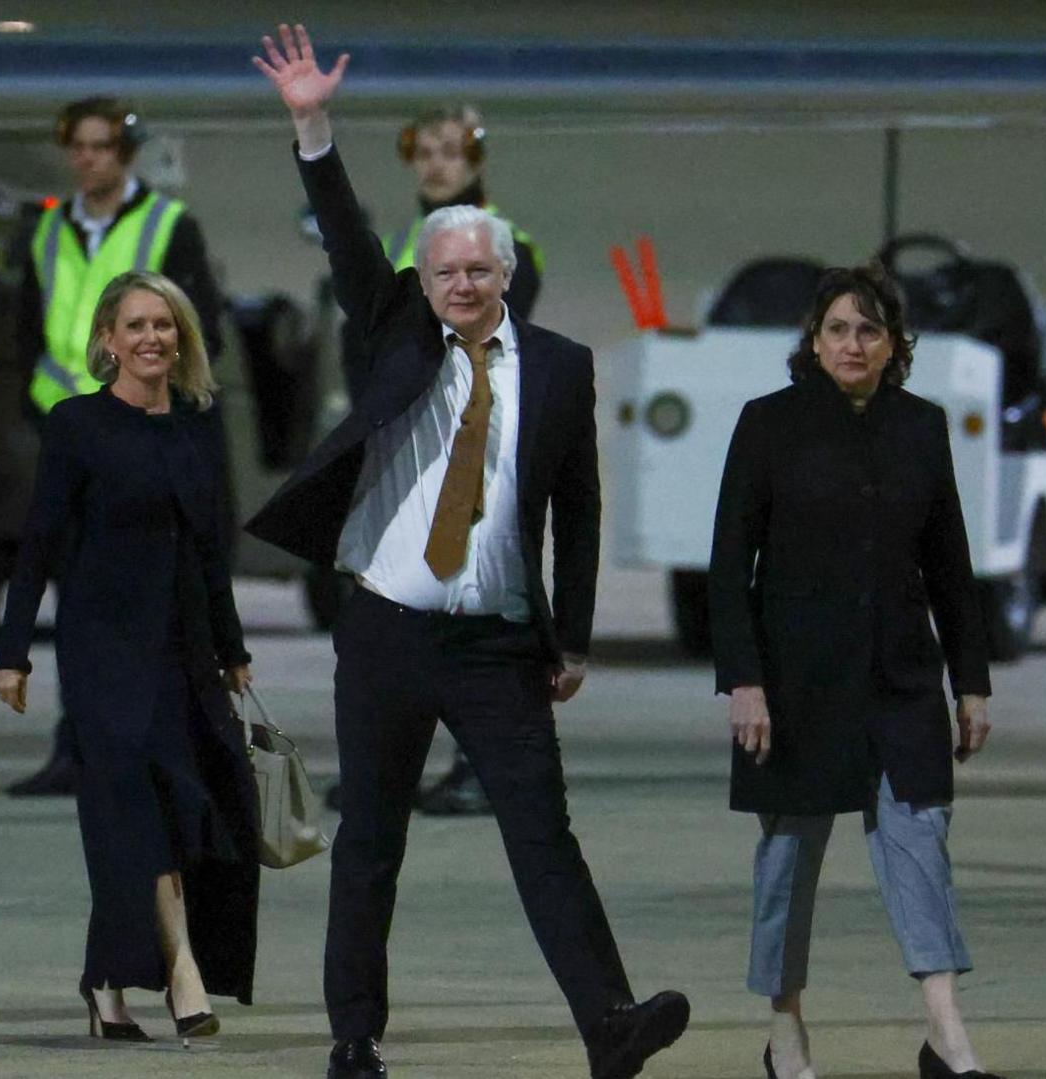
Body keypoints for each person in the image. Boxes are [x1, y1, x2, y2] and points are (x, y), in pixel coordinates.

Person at [249, 27, 688, 1079]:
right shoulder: (396, 323)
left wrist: (572, 633)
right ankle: (354, 1037)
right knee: (372, 846)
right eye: (443, 267)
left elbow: (579, 506)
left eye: (477, 267)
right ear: (425, 275)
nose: (459, 282)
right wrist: (312, 124)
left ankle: (610, 1023)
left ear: (506, 273)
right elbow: (352, 236)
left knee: (545, 837)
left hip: (497, 644)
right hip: (387, 629)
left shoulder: (561, 366)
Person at [708, 264, 1001, 1079]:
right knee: (787, 862)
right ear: (813, 340)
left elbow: (950, 562)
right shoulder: (769, 425)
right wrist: (745, 681)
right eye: (838, 328)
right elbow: (730, 565)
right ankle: (785, 1027)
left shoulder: (921, 426)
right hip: (795, 685)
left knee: (920, 844)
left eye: (870, 330)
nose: (853, 343)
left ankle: (949, 1037)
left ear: (895, 345)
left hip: (901, 679)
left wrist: (969, 681)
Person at [0, 271, 259, 1041]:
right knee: (139, 808)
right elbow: (37, 542)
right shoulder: (76, 425)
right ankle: (182, 977)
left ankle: (105, 982)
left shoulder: (198, 428)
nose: (152, 338)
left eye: (165, 325)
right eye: (136, 325)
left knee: (172, 809)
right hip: (103, 649)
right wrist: (13, 652)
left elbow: (212, 553)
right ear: (107, 339)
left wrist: (233, 650)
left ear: (182, 339)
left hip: (183, 651)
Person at [9, 95, 230, 798]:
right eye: (78, 146)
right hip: (69, 432)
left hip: (141, 430)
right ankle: (75, 740)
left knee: (149, 595)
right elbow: (25, 325)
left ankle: (145, 736)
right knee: (74, 594)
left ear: (126, 154)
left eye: (101, 146)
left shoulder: (168, 226)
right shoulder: (47, 230)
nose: (87, 158)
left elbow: (201, 331)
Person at [390, 104, 543, 818]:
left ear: (476, 160)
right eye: (424, 152)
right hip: (413, 453)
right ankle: (429, 762)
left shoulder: (510, 243)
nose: (436, 164)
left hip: (477, 449)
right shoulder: (404, 242)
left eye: (450, 151)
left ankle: (484, 765)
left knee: (481, 613)